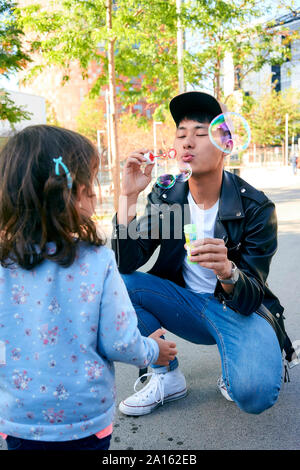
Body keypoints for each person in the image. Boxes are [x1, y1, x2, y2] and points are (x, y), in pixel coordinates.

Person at [112, 91, 295, 417]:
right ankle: (166, 375)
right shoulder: (168, 196)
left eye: (200, 134)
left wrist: (228, 272)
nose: (187, 142)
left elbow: (251, 295)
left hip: (237, 309)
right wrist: (127, 197)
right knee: (120, 282)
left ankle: (240, 359)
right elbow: (128, 262)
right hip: (184, 304)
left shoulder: (255, 207)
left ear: (226, 145)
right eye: (181, 134)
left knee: (253, 393)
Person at [0, 125, 177, 450]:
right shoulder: (95, 260)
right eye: (90, 181)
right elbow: (119, 341)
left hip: (18, 420)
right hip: (83, 420)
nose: (95, 192)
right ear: (72, 192)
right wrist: (152, 350)